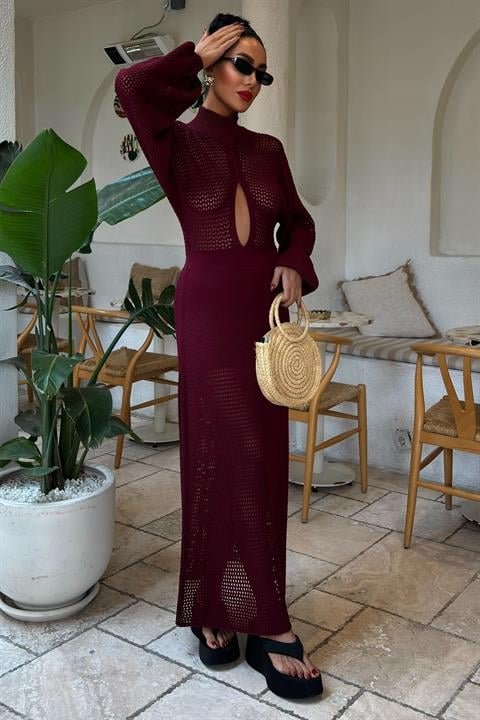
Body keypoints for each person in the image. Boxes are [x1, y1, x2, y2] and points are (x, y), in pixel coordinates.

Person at [115, 12, 322, 700]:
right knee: (211, 454)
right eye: (242, 65)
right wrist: (193, 54)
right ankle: (211, 605)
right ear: (213, 65)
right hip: (205, 309)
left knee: (260, 459)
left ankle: (266, 618)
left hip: (259, 312)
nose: (253, 81)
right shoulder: (176, 140)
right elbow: (132, 87)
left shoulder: (268, 149)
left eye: (262, 71)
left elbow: (298, 222)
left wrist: (293, 261)